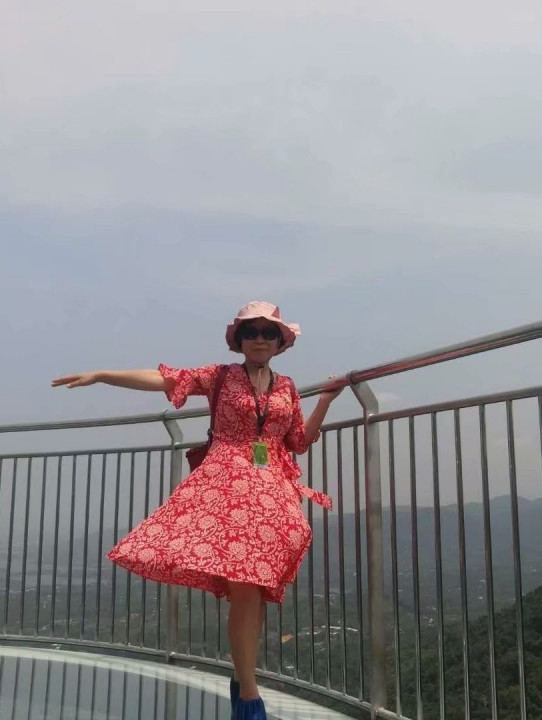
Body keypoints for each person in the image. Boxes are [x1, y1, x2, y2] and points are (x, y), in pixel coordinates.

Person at [52, 301, 343, 720]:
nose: (259, 339)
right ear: (238, 340)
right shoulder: (220, 376)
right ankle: (249, 696)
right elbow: (165, 378)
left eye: (268, 332)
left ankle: (243, 678)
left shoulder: (286, 388)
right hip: (226, 487)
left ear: (280, 342)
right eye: (251, 332)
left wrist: (326, 401)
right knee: (245, 585)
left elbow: (297, 441)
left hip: (272, 492)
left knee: (258, 589)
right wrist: (102, 375)